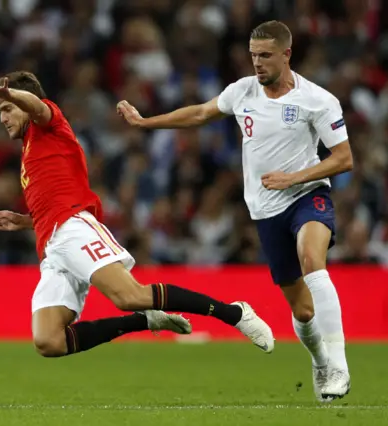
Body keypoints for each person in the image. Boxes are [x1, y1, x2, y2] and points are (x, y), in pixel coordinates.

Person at [117, 20, 352, 402]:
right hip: (265, 210)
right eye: (253, 55)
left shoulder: (318, 100)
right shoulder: (242, 91)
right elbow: (199, 114)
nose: (257, 63)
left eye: (265, 55)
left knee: (313, 261)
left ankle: (339, 366)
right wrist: (146, 122)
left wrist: (296, 177)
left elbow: (343, 158)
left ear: (287, 54)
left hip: (308, 195)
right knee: (304, 312)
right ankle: (321, 361)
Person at [0, 71, 275, 359]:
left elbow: (38, 107)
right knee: (48, 341)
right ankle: (144, 321)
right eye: (0, 111)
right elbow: (53, 200)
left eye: (7, 109)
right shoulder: (30, 149)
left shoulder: (49, 124)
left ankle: (234, 312)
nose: (2, 118)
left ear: (25, 101)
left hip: (73, 228)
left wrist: (13, 93)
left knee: (129, 295)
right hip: (51, 244)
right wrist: (26, 221)